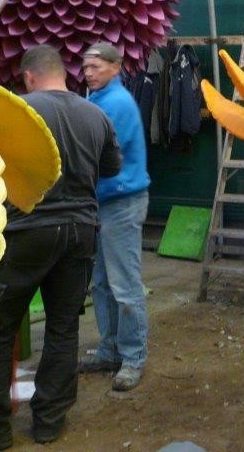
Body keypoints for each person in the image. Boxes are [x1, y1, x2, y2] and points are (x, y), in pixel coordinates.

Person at [0, 45, 121, 450]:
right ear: (63, 73)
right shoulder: (95, 114)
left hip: (26, 233)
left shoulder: (18, 111)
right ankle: (49, 423)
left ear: (29, 77)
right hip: (80, 232)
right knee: (63, 329)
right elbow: (111, 168)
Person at [79, 42, 151, 393]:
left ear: (115, 67)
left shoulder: (116, 104)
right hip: (104, 203)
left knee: (124, 285)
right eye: (85, 67)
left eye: (95, 66)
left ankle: (133, 357)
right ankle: (110, 351)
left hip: (122, 203)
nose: (88, 73)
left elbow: (98, 155)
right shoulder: (96, 99)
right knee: (102, 284)